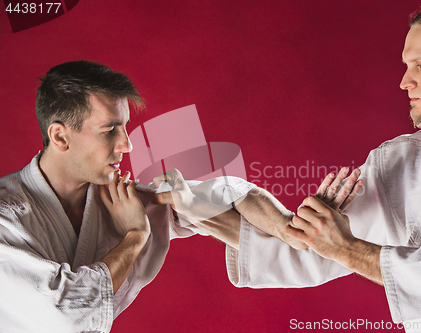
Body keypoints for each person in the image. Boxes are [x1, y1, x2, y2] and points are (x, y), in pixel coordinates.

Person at [157, 1, 421, 332]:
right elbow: (310, 252)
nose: (404, 82)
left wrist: (344, 246)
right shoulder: (398, 161)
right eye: (406, 66)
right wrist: (197, 208)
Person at [0, 60, 361, 332]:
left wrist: (289, 227)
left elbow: (229, 194)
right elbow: (66, 315)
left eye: (125, 127)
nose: (126, 144)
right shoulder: (6, 216)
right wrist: (134, 237)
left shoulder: (121, 200)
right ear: (60, 137)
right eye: (110, 130)